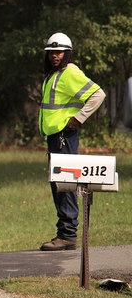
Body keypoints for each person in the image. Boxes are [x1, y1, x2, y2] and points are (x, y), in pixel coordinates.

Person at [38, 32, 105, 251]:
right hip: (56, 138)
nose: (54, 56)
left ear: (67, 54)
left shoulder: (69, 73)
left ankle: (67, 235)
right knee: (59, 184)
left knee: (64, 184)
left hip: (64, 137)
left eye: (59, 52)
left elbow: (98, 94)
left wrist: (79, 118)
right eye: (51, 52)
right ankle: (66, 234)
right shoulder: (54, 75)